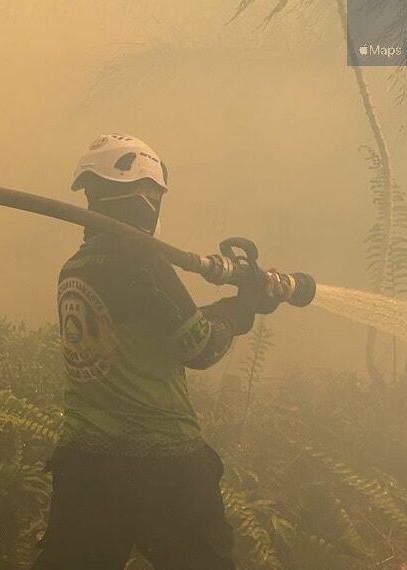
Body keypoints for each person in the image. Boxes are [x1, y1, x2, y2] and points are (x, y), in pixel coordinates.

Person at [33, 133, 281, 569]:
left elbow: (153, 326)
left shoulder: (76, 265)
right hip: (162, 465)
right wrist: (241, 309)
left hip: (85, 464)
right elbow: (201, 346)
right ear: (148, 196)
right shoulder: (141, 259)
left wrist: (229, 307)